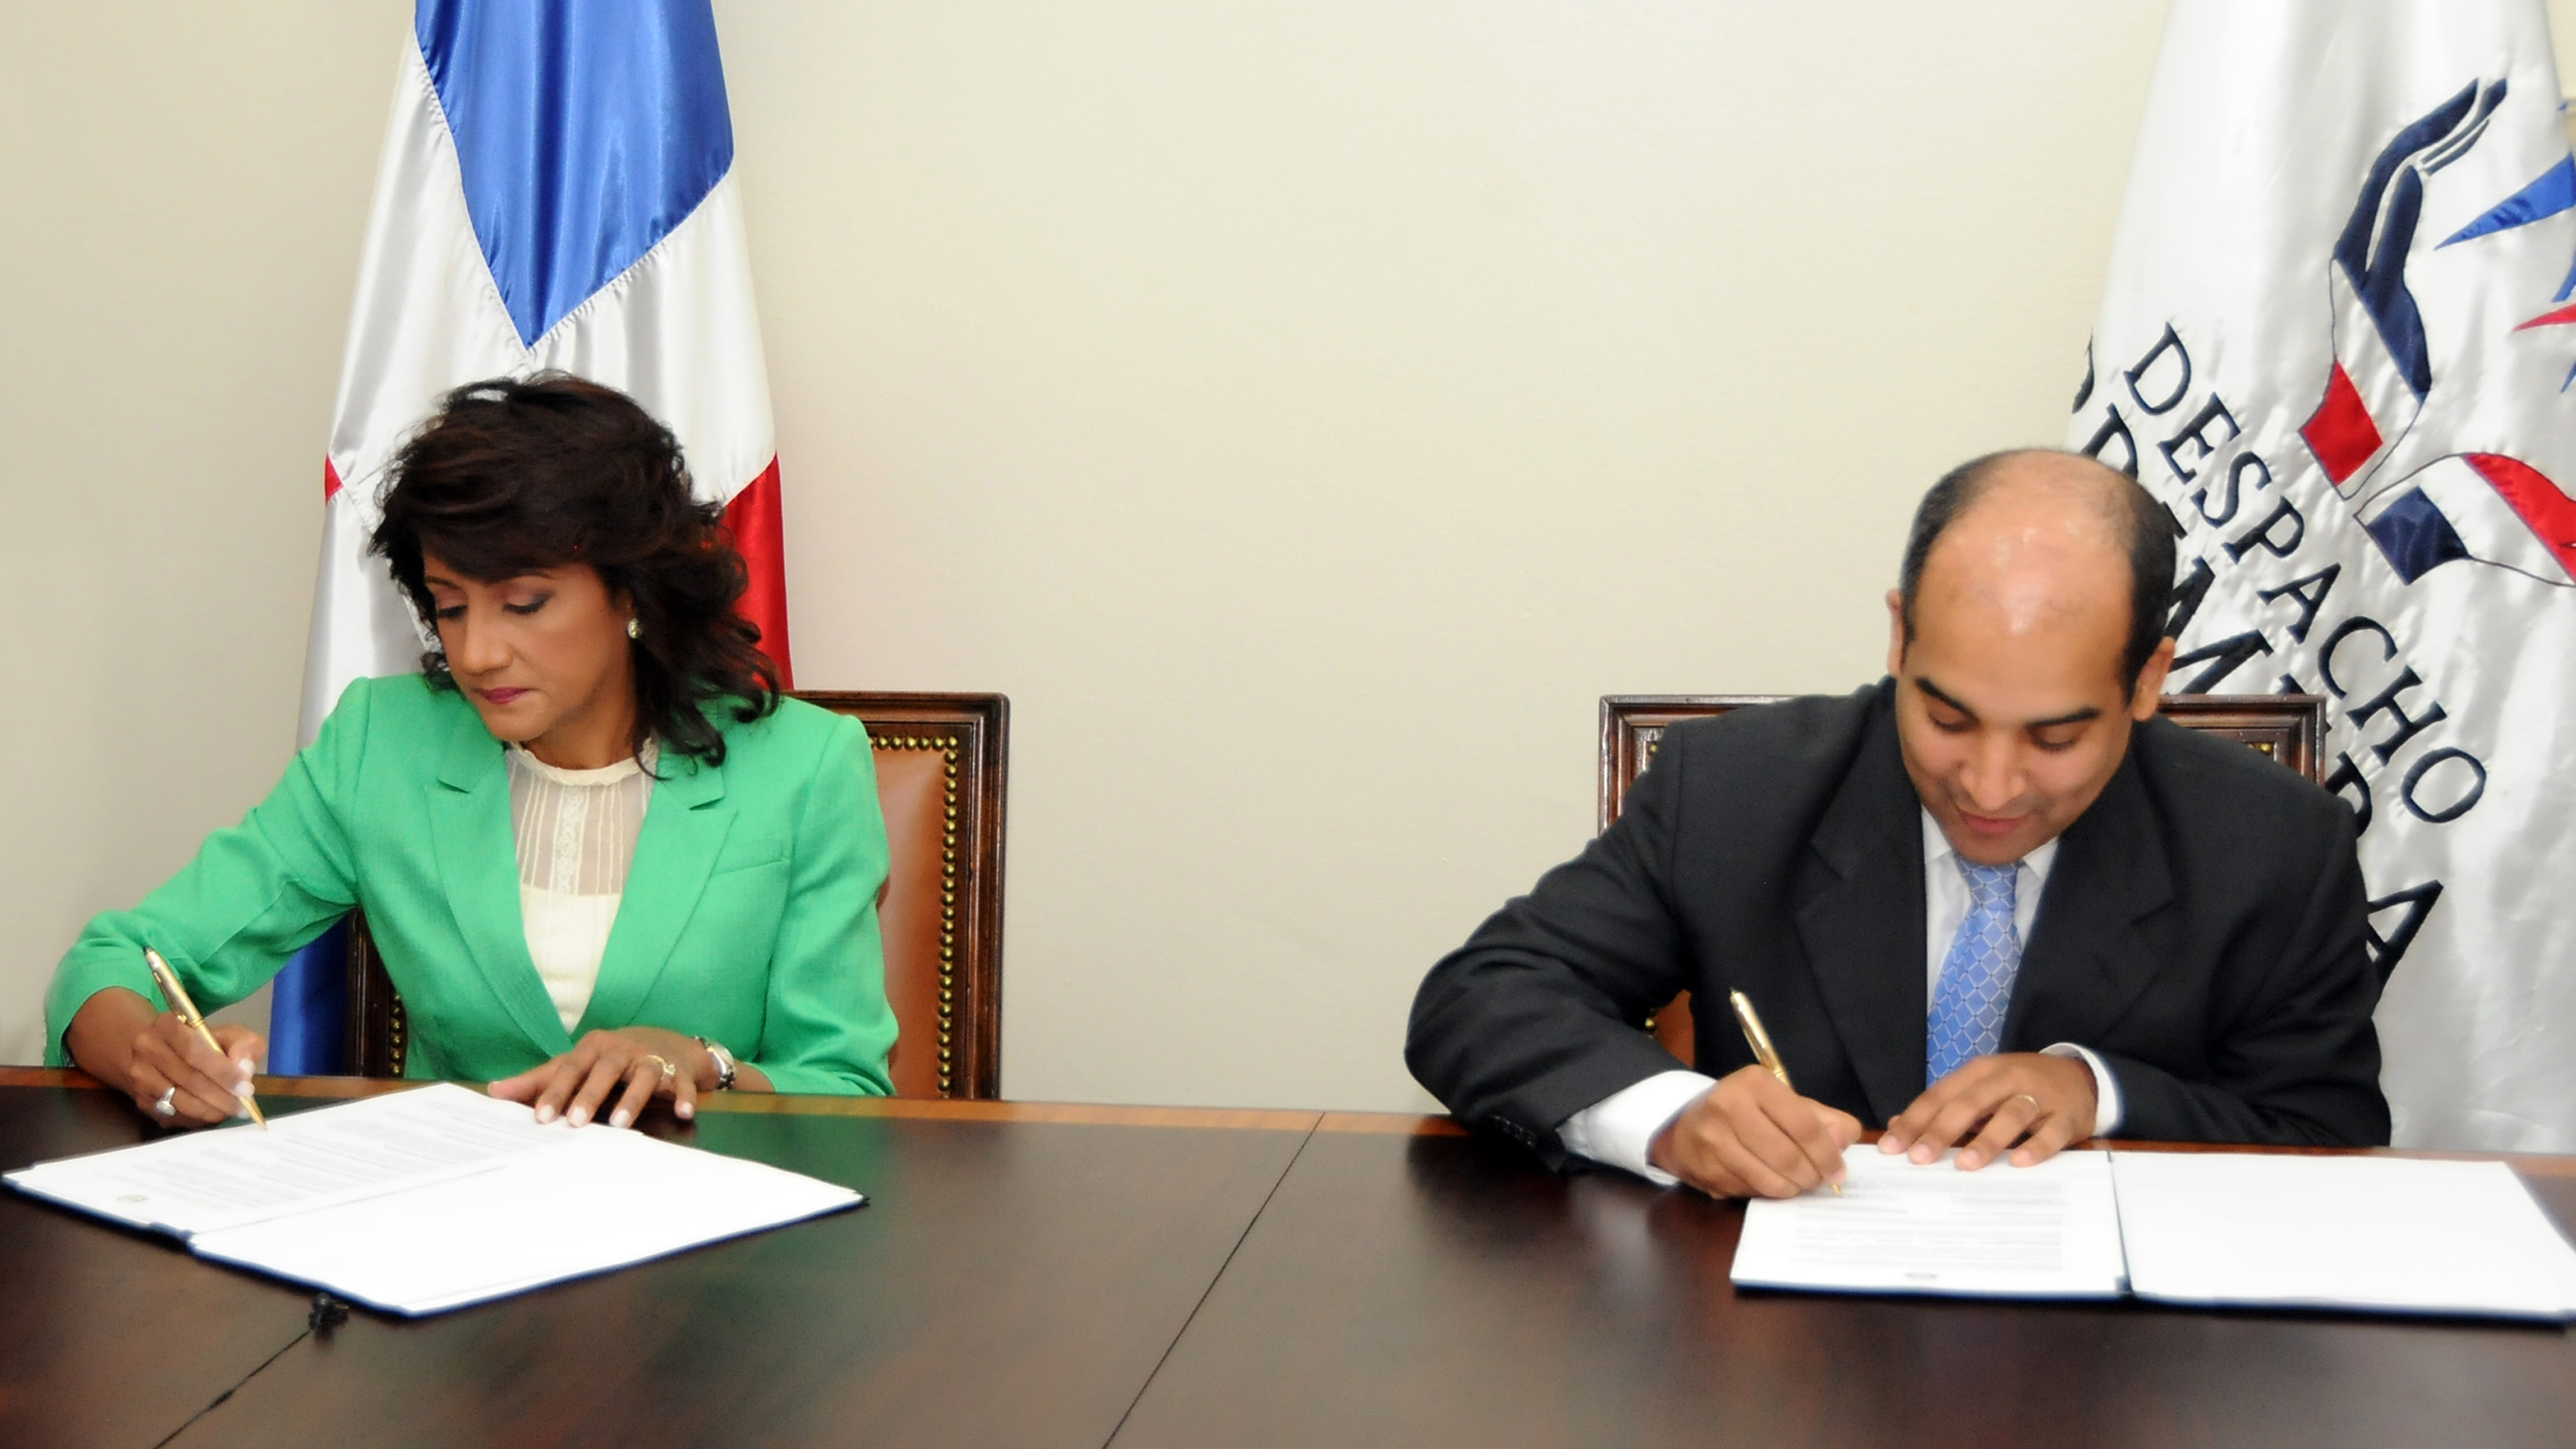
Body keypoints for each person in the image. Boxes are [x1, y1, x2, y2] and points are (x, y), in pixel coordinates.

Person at [1407, 449, 2389, 1200]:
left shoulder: (2274, 845)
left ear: (2147, 681)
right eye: (1948, 719)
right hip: (1772, 1349)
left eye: (2054, 738)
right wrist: (1670, 1117)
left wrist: (2102, 1094)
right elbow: (1480, 999)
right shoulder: (1734, 791)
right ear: (1899, 636)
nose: (1990, 787)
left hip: (2119, 1364)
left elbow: (2329, 1138)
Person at [47, 374, 898, 1129]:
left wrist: (702, 1063)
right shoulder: (383, 744)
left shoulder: (805, 765)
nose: (478, 652)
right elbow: (113, 959)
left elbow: (845, 1090)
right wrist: (150, 1054)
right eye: (450, 607)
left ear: (631, 591)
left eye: (524, 604)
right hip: (448, 1226)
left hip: (709, 1234)